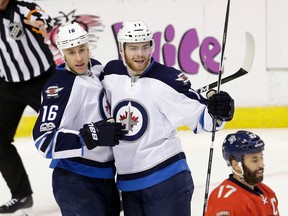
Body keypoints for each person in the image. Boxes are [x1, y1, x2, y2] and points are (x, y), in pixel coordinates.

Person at [100, 20, 235, 216]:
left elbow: (203, 119)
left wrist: (219, 110)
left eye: (145, 47)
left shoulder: (167, 79)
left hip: (166, 181)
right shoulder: (110, 73)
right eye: (133, 48)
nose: (140, 54)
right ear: (122, 49)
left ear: (152, 47)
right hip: (128, 185)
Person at [32, 23, 126, 216]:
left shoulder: (97, 68)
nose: (79, 58)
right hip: (76, 180)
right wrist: (88, 136)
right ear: (62, 53)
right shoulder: (59, 87)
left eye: (82, 49)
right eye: (71, 52)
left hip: (107, 177)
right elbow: (43, 140)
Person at [0, 0, 55, 214]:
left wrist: (40, 22)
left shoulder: (22, 7)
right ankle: (21, 195)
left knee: (70, 130)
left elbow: (42, 19)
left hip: (42, 82)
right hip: (8, 85)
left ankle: (104, 191)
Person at [205, 130, 280, 215]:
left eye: (261, 158)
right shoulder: (227, 201)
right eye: (254, 160)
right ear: (236, 165)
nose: (261, 165)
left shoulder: (268, 193)